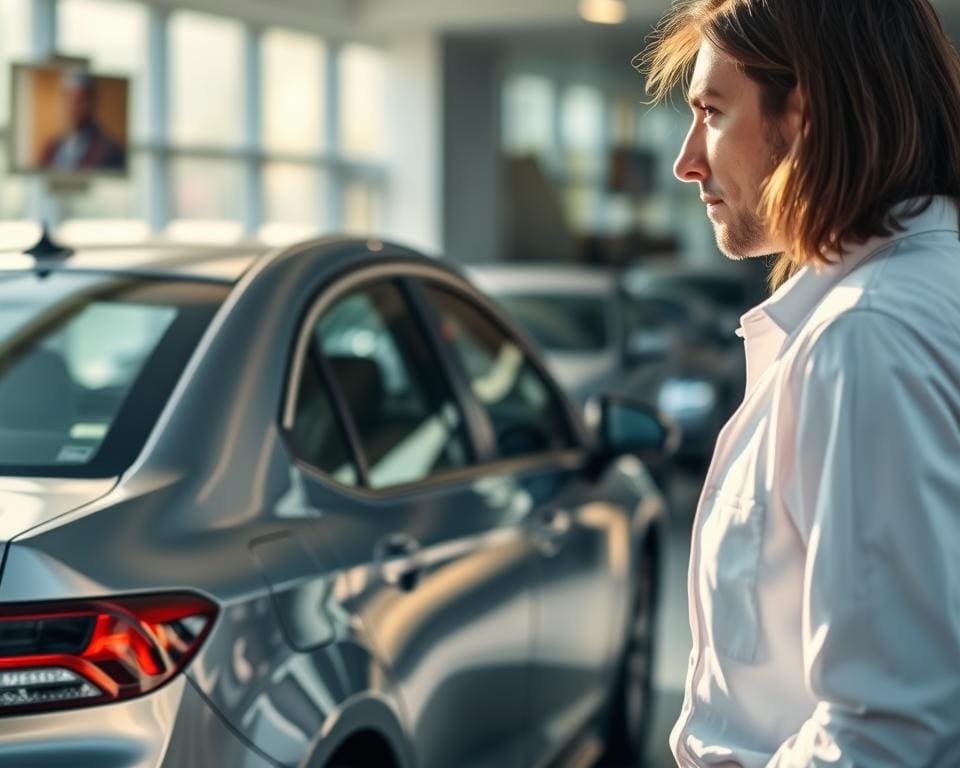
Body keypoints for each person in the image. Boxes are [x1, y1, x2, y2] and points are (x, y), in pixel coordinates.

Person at [640, 1, 960, 765]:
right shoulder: (914, 294)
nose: (687, 160)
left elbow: (891, 732)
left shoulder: (866, 335)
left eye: (712, 112)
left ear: (804, 117)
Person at [39, 71, 126, 172]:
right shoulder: (51, 148)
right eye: (69, 99)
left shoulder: (110, 150)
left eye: (80, 100)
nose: (73, 107)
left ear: (92, 102)